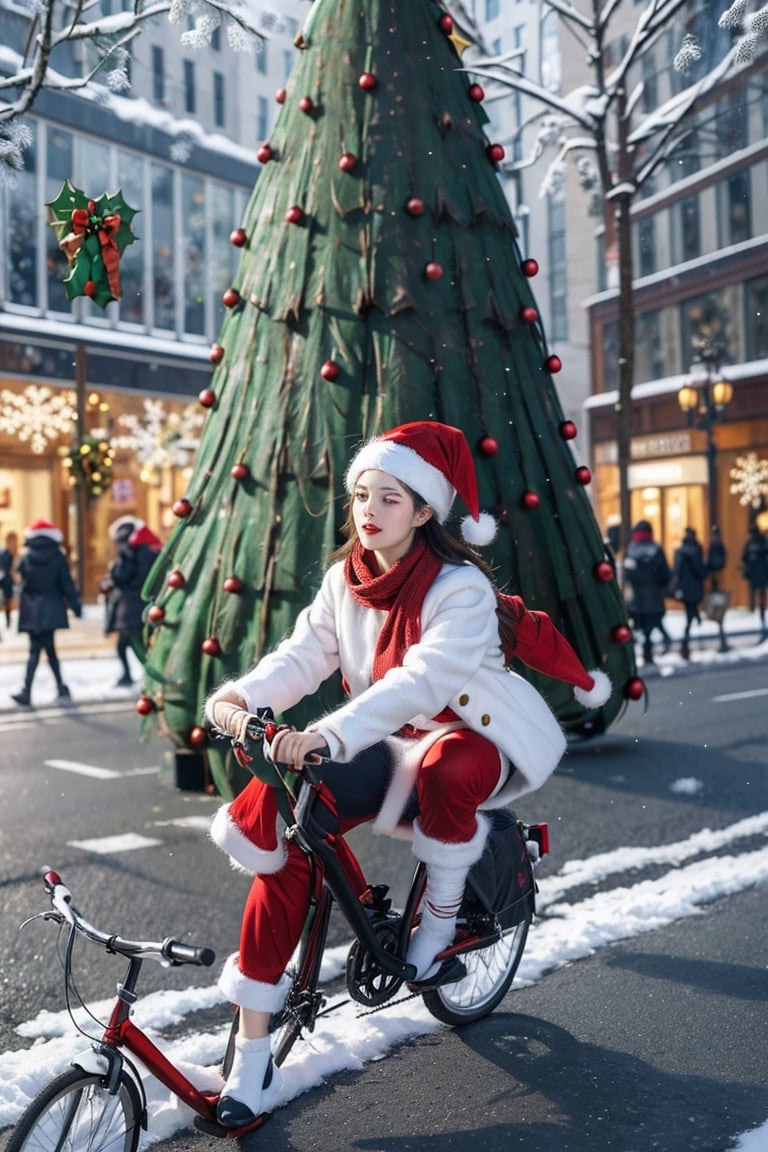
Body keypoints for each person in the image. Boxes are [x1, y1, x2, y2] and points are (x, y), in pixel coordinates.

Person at [205, 421, 611, 1128]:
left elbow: (421, 685)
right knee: (287, 827)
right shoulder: (345, 581)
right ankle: (253, 1049)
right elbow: (304, 657)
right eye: (362, 494)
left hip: (474, 729)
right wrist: (245, 698)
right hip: (390, 737)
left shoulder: (462, 591)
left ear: (425, 510)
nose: (369, 510)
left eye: (390, 498)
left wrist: (326, 734)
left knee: (449, 773)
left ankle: (439, 919)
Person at [11, 519, 82, 707]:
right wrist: (76, 607)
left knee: (38, 650)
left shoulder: (26, 556)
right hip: (51, 607)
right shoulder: (57, 556)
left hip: (32, 610)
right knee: (48, 650)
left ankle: (31, 691)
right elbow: (66, 583)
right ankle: (57, 687)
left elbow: (23, 582)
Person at [105, 516, 162, 687]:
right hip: (146, 605)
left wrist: (115, 568)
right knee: (126, 643)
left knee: (139, 646)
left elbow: (122, 576)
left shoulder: (130, 553)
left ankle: (155, 678)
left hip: (131, 607)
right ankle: (129, 675)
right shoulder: (150, 550)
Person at [623, 520, 672, 665]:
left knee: (637, 627)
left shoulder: (631, 550)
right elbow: (665, 575)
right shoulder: (656, 550)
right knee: (649, 629)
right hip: (653, 597)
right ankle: (648, 655)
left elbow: (628, 575)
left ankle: (634, 655)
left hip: (636, 599)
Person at [672, 527, 708, 659]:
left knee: (690, 610)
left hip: (685, 587)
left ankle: (686, 641)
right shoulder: (696, 550)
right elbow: (700, 570)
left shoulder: (680, 551)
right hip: (695, 586)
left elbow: (676, 570)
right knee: (691, 611)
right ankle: (686, 639)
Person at [741, 525, 768, 636]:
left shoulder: (753, 543)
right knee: (760, 593)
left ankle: (755, 609)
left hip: (757, 573)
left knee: (757, 593)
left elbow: (744, 557)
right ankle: (758, 611)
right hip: (760, 573)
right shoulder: (761, 542)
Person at [0, 530, 18, 629]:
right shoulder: (3, 553)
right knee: (6, 601)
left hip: (9, 581)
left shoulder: (14, 554)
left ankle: (8, 621)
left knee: (9, 601)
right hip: (4, 580)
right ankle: (7, 622)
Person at [706, 526, 727, 592]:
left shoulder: (717, 543)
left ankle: (716, 588)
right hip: (714, 564)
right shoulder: (714, 543)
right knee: (714, 578)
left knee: (716, 577)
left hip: (716, 563)